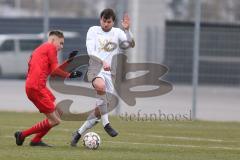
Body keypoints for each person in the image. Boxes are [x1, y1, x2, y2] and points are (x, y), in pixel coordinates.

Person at [71, 8, 135, 147]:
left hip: (110, 72)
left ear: (113, 22)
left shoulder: (118, 32)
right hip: (95, 68)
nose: (106, 24)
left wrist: (128, 30)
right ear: (100, 20)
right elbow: (91, 50)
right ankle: (107, 124)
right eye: (104, 21)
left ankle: (78, 133)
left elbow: (130, 44)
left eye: (109, 21)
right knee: (101, 86)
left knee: (98, 112)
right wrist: (102, 61)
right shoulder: (93, 30)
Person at [14, 30, 82, 147]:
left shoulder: (43, 49)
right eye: (60, 43)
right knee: (55, 121)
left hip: (37, 87)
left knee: (59, 112)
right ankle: (23, 135)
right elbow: (55, 70)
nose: (61, 46)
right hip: (36, 88)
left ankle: (36, 140)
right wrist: (69, 75)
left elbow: (53, 71)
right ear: (53, 40)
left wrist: (68, 61)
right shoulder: (50, 48)